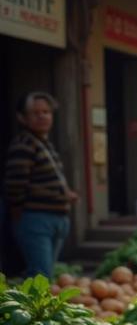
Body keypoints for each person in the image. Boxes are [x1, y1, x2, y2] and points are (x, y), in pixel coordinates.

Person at [3, 92, 79, 278]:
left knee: (44, 274)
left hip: (55, 218)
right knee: (40, 275)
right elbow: (15, 184)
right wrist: (18, 211)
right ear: (22, 118)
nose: (43, 116)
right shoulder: (24, 144)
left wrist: (65, 194)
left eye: (46, 112)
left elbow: (50, 179)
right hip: (36, 219)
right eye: (36, 113)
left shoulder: (44, 144)